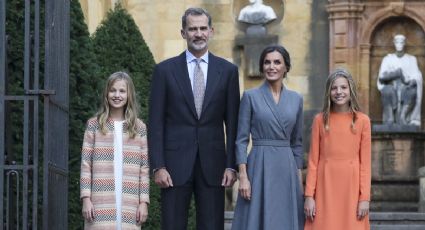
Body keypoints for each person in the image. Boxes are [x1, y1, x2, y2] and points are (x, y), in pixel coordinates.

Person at [148, 7, 240, 230]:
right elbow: (155, 123)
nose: (198, 33)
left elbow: (233, 122)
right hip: (173, 165)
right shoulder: (164, 71)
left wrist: (232, 166)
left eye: (202, 28)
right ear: (183, 33)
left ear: (211, 31)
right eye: (192, 29)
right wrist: (158, 166)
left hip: (214, 165)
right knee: (172, 225)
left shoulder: (228, 71)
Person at [231, 45, 304, 230]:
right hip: (259, 166)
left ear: (286, 67)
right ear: (262, 67)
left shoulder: (297, 99)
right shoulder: (250, 96)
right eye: (267, 62)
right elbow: (241, 140)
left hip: (286, 168)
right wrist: (243, 176)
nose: (272, 66)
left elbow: (297, 143)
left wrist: (299, 180)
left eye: (277, 62)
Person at [80, 71, 149, 229]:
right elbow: (86, 165)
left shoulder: (139, 128)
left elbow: (144, 168)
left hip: (130, 202)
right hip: (99, 201)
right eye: (113, 90)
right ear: (106, 93)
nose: (117, 95)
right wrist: (86, 198)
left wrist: (144, 202)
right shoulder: (94, 125)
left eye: (122, 91)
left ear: (129, 94)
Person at [304, 68, 371, 230]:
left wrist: (364, 198)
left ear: (351, 90)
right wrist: (309, 196)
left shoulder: (362, 121)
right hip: (325, 186)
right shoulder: (319, 120)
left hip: (352, 188)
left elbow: (366, 164)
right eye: (334, 88)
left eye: (343, 87)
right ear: (328, 92)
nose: (338, 92)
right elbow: (313, 161)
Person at [377, 34, 423, 126]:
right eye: (397, 42)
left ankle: (403, 117)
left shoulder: (411, 59)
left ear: (404, 43)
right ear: (394, 43)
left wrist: (413, 81)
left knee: (411, 91)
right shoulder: (387, 59)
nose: (399, 44)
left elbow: (417, 75)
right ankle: (390, 118)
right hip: (391, 87)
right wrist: (395, 74)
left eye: (401, 42)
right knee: (387, 91)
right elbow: (381, 77)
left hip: (406, 87)